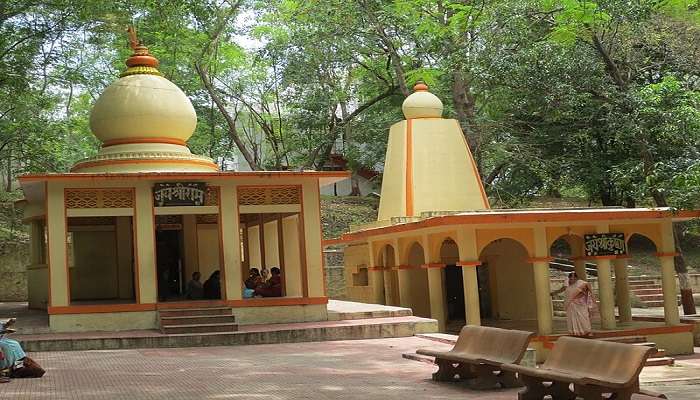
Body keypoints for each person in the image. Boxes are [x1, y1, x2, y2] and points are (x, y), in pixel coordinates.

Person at [551, 272, 595, 337]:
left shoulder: (581, 283)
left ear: (577, 278)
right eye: (571, 278)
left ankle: (587, 331)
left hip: (580, 303)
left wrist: (576, 298)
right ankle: (575, 332)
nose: (572, 280)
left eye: (574, 278)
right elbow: (562, 289)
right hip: (571, 304)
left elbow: (585, 292)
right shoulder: (567, 284)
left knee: (584, 317)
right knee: (572, 318)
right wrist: (554, 293)